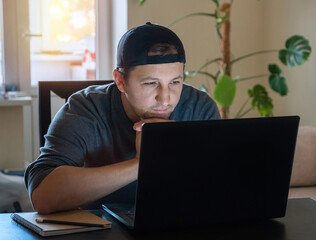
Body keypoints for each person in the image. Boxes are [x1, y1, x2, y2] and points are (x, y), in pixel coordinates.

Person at [25, 22, 220, 214]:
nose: (165, 98)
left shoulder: (199, 108)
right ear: (120, 81)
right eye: (151, 83)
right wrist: (141, 162)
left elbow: (220, 188)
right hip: (101, 231)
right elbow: (43, 196)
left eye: (175, 82)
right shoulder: (85, 108)